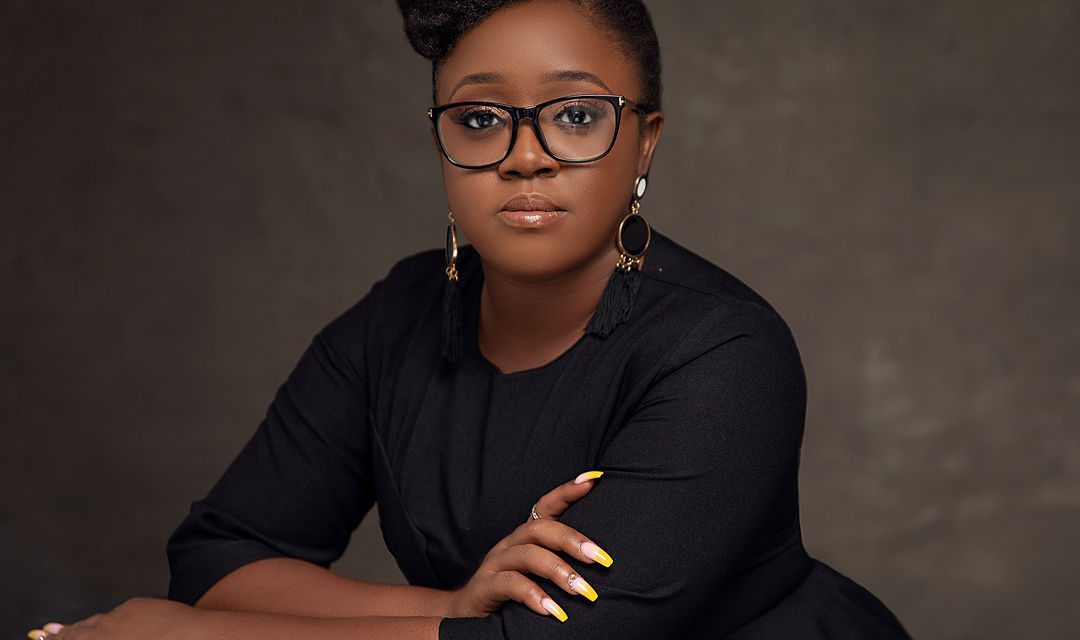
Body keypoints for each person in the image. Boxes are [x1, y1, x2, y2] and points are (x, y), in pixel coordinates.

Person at [27, 1, 912, 638]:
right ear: (441, 143)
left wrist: (186, 635)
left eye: (575, 116)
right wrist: (449, 611)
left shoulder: (726, 353)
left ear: (645, 140)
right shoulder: (397, 316)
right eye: (482, 119)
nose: (525, 157)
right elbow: (219, 556)